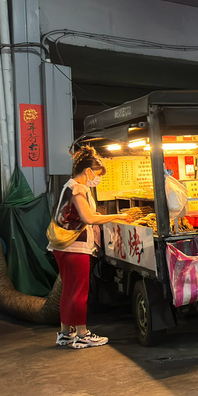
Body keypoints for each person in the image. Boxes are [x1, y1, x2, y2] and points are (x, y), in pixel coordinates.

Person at [47, 145, 130, 349]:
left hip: (63, 246)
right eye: (98, 175)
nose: (97, 180)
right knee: (79, 291)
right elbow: (89, 218)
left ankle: (65, 334)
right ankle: (82, 334)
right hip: (74, 247)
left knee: (69, 290)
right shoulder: (78, 189)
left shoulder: (69, 185)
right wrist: (118, 216)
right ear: (88, 171)